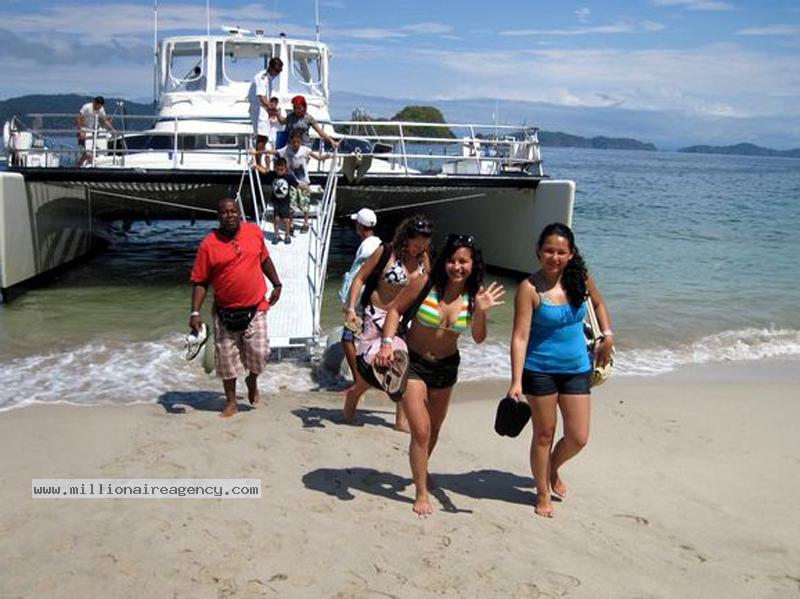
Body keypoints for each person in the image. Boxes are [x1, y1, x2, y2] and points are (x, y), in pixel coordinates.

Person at [375, 234, 505, 515]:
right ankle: (421, 492)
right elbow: (395, 310)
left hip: (447, 367)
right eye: (452, 260)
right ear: (443, 261)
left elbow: (479, 338)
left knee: (433, 429)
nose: (457, 267)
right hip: (415, 363)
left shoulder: (475, 295)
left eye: (463, 261)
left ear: (473, 264)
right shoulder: (424, 283)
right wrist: (386, 343)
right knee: (420, 430)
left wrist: (481, 313)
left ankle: (420, 470)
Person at [507, 223, 614, 518]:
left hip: (577, 368)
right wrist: (516, 381)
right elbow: (519, 337)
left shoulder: (580, 278)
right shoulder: (529, 288)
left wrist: (607, 333)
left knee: (578, 437)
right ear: (539, 252)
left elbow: (600, 303)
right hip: (539, 370)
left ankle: (551, 467)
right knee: (544, 434)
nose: (554, 257)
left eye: (561, 252)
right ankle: (542, 491)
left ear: (571, 254)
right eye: (549, 251)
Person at [189, 198, 283, 418]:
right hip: (224, 311)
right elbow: (200, 281)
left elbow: (265, 260)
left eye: (233, 211)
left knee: (260, 354)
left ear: (240, 213)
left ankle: (252, 379)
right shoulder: (208, 244)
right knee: (226, 361)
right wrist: (195, 312)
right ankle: (231, 402)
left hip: (256, 307)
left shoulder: (254, 232)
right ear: (218, 216)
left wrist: (277, 284)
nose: (229, 215)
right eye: (224, 212)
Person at [343, 215, 433, 430]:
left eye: (424, 245)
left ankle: (401, 421)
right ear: (406, 238)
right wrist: (351, 308)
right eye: (416, 244)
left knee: (403, 368)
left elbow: (428, 287)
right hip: (376, 315)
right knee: (372, 369)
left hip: (404, 320)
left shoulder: (424, 259)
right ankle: (353, 396)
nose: (419, 249)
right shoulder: (385, 252)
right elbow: (360, 278)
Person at [338, 208, 381, 389]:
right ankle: (372, 378)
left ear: (360, 226)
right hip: (371, 302)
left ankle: (359, 381)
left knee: (347, 339)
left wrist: (350, 305)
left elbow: (357, 277)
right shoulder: (377, 243)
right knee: (370, 339)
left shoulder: (367, 247)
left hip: (362, 303)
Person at [253, 157, 299, 244]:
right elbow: (264, 171)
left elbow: (297, 185)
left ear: (286, 169)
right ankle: (276, 235)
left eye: (282, 169)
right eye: (278, 169)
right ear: (275, 168)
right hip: (276, 202)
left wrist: (304, 187)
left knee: (286, 220)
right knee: (276, 219)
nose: (280, 171)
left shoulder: (289, 177)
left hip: (285, 202)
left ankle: (287, 235)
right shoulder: (273, 175)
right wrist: (255, 165)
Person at [249, 57, 284, 169]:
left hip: (263, 110)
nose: (278, 74)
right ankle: (259, 164)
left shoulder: (269, 78)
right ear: (271, 68)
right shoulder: (262, 78)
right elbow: (261, 96)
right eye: (277, 71)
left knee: (264, 138)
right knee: (262, 137)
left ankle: (261, 162)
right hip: (260, 110)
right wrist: (271, 108)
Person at [76, 96, 114, 167]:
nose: (98, 108)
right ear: (94, 102)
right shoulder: (86, 107)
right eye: (97, 106)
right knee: (87, 150)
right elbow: (78, 118)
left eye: (100, 106)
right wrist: (80, 130)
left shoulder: (101, 109)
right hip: (84, 128)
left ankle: (82, 164)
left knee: (92, 150)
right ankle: (82, 164)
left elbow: (105, 120)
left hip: (94, 129)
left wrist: (113, 130)